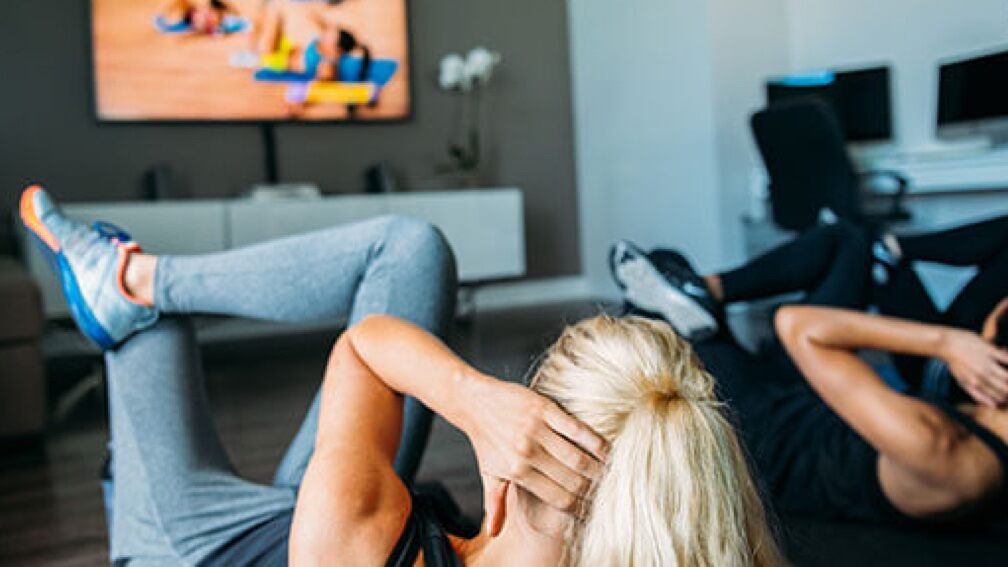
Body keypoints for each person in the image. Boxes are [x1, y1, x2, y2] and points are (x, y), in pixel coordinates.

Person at [21, 186, 782, 565]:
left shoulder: (364, 534)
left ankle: (136, 282)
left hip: (194, 544)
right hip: (309, 518)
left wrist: (471, 399)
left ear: (507, 460)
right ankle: (135, 279)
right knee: (414, 255)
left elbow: (363, 348)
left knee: (147, 322)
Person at [610, 217, 1008, 524]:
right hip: (807, 394)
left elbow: (796, 325)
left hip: (755, 433)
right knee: (847, 242)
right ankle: (704, 292)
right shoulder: (987, 413)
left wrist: (948, 342)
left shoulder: (944, 452)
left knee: (659, 275)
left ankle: (685, 307)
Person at [254, 0, 371, 82]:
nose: (326, 35)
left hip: (276, 60)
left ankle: (271, 8)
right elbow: (325, 28)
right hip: (282, 52)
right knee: (270, 19)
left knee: (267, 42)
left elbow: (325, 78)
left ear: (336, 50)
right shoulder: (321, 44)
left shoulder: (328, 62)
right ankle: (269, 10)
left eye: (329, 36)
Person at [157, 0, 240, 35]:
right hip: (193, 17)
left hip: (193, 18)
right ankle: (165, 14)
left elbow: (202, 28)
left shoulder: (215, 20)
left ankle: (165, 14)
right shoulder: (213, 16)